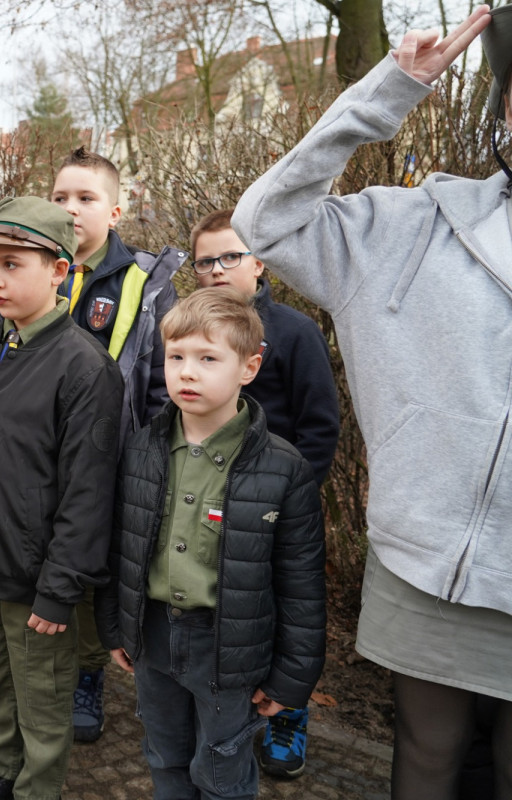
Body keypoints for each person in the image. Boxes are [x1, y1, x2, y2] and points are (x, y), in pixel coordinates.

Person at [234, 7, 512, 797]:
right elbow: (267, 223)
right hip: (424, 556)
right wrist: (389, 91)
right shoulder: (414, 224)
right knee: (428, 751)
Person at [96, 287, 326, 800]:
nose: (187, 373)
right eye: (176, 357)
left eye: (207, 358)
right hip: (153, 637)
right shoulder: (141, 450)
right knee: (164, 754)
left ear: (249, 367)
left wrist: (292, 677)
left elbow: (302, 584)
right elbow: (121, 549)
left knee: (222, 767)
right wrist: (114, 626)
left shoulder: (283, 469)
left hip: (229, 650)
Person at [0, 197, 122, 800]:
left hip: (37, 581)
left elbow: (88, 495)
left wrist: (60, 589)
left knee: (42, 698)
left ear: (60, 270)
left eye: (13, 265)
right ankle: (1, 775)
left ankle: (36, 790)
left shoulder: (85, 369)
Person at [189, 208, 340, 779]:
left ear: (258, 263)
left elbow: (319, 427)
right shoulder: (190, 331)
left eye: (230, 256)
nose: (217, 269)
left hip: (275, 506)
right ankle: (218, 706)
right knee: (223, 609)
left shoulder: (295, 332)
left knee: (281, 610)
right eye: (205, 260)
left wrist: (289, 500)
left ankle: (289, 712)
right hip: (204, 500)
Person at [41, 146, 184, 742]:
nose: (71, 209)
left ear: (116, 210)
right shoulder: (36, 266)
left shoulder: (143, 283)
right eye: (60, 197)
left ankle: (88, 673)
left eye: (86, 197)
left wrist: (147, 461)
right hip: (38, 457)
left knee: (90, 574)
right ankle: (42, 667)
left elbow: (159, 387)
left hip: (109, 462)